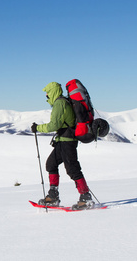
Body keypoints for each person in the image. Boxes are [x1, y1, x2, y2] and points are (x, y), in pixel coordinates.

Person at [31, 82, 95, 210]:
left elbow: (54, 125)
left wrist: (38, 128)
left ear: (53, 91)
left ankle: (85, 197)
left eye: (47, 93)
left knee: (72, 168)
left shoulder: (60, 104)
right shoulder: (61, 102)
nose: (46, 95)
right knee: (51, 164)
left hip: (68, 141)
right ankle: (53, 196)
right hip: (62, 140)